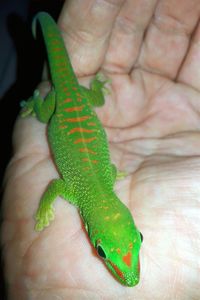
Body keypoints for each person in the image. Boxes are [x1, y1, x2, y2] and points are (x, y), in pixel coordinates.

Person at [2, 0, 200, 298]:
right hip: (65, 100)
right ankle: (39, 88)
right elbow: (56, 187)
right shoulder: (82, 191)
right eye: (102, 251)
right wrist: (44, 205)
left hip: (78, 99)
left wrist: (44, 206)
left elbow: (64, 183)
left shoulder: (98, 185)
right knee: (43, 113)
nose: (130, 273)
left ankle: (49, 34)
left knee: (87, 101)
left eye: (102, 251)